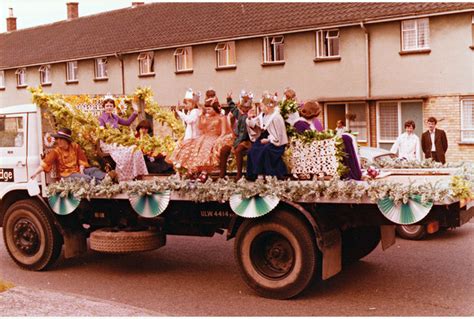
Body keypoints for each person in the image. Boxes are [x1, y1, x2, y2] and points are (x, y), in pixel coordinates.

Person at [168, 98, 233, 174]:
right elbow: (200, 127)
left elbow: (224, 132)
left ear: (214, 109)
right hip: (204, 137)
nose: (207, 111)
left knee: (207, 147)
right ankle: (194, 171)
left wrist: (219, 139)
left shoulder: (222, 117)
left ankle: (204, 172)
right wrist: (199, 116)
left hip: (215, 137)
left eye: (209, 109)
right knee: (189, 146)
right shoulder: (205, 117)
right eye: (207, 109)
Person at [30, 128, 112, 182]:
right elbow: (45, 164)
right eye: (58, 139)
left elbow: (82, 160)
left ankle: (107, 177)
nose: (58, 141)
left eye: (61, 139)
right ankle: (102, 182)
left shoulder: (75, 146)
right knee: (86, 179)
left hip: (76, 171)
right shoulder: (56, 151)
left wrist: (82, 169)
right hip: (65, 175)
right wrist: (35, 174)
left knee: (93, 170)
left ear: (67, 140)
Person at [97, 97, 148, 181]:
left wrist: (135, 112)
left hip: (117, 141)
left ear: (113, 107)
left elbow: (127, 123)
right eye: (107, 106)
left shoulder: (115, 117)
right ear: (104, 107)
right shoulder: (101, 118)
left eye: (111, 106)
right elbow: (101, 133)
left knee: (135, 149)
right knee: (126, 152)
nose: (109, 107)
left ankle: (137, 174)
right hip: (108, 142)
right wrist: (109, 134)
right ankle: (123, 176)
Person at [246, 92, 288, 180]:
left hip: (276, 142)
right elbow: (253, 123)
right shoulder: (263, 115)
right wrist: (249, 118)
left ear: (267, 106)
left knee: (265, 150)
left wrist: (268, 140)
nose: (261, 108)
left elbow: (279, 135)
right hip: (263, 138)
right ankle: (255, 174)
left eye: (262, 106)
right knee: (252, 151)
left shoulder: (277, 117)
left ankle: (267, 174)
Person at [219, 90, 253, 179]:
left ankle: (239, 174)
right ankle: (222, 174)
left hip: (246, 140)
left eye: (247, 108)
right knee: (224, 149)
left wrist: (237, 142)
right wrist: (229, 99)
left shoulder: (251, 117)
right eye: (243, 108)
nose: (244, 110)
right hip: (237, 139)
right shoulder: (240, 115)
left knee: (238, 150)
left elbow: (245, 134)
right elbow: (233, 109)